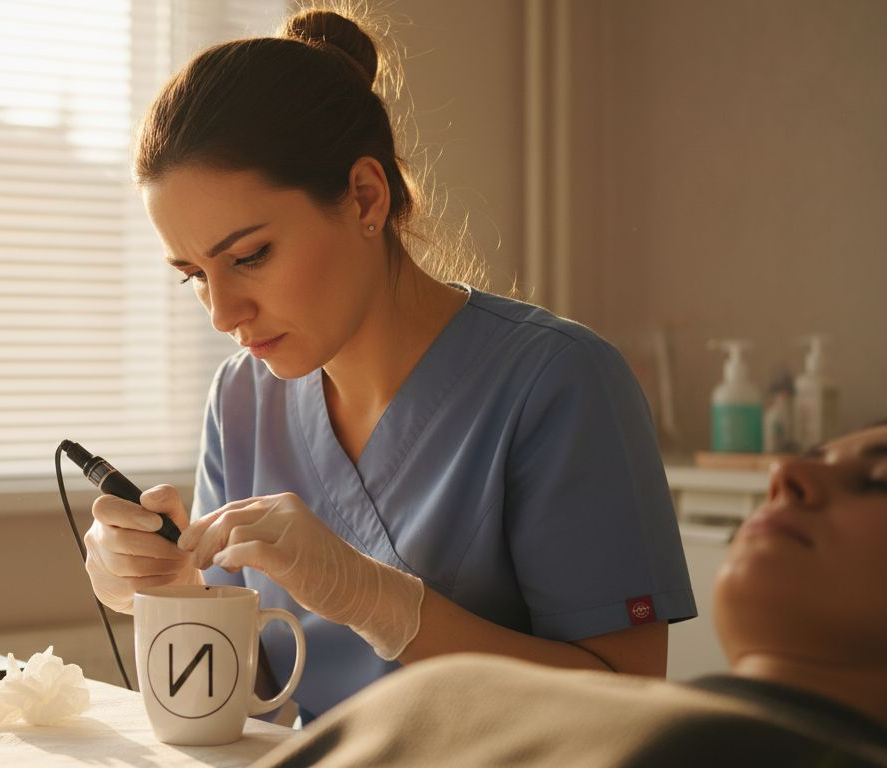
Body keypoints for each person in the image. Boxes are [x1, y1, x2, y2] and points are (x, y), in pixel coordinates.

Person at [83, 9, 695, 721]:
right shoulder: (242, 398)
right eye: (192, 273)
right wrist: (168, 590)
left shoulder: (558, 383)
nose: (221, 313)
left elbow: (627, 708)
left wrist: (386, 604)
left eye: (249, 257)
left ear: (366, 197)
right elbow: (244, 700)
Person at [251, 423, 887, 766]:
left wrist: (379, 601)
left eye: (877, 479)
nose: (786, 473)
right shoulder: (442, 697)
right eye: (812, 455)